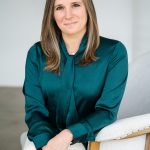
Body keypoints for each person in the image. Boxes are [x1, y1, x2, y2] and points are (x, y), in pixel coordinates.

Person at [22, 0, 128, 149]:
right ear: (51, 14)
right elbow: (34, 109)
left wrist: (68, 134)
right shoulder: (36, 53)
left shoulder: (114, 52)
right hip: (45, 138)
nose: (68, 15)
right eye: (60, 8)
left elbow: (107, 111)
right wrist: (45, 143)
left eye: (75, 5)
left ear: (87, 9)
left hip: (91, 139)